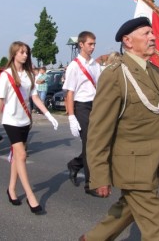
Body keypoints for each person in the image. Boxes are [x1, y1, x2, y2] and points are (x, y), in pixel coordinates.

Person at [80, 17, 159, 241]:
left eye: (152, 33)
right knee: (155, 229)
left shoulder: (154, 71)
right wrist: (99, 175)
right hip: (132, 165)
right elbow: (98, 131)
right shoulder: (115, 75)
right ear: (128, 41)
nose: (153, 37)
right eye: (146, 33)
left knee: (127, 209)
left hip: (153, 161)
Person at [0, 41, 58, 215]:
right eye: (21, 52)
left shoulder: (29, 74)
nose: (25, 55)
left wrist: (48, 114)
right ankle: (30, 195)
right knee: (21, 155)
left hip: (25, 120)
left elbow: (34, 98)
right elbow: (0, 101)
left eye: (26, 52)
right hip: (11, 121)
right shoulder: (5, 75)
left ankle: (11, 189)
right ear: (14, 54)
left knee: (16, 156)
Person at [62, 31, 101, 196]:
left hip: (95, 106)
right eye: (90, 44)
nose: (93, 47)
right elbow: (69, 93)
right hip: (81, 107)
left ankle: (76, 164)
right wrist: (71, 117)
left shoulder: (95, 65)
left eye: (94, 44)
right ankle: (90, 184)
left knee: (95, 143)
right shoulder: (74, 66)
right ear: (81, 45)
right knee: (90, 144)